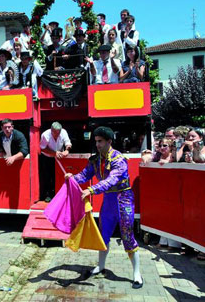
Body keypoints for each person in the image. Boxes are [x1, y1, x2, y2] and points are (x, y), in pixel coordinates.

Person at [64, 126, 143, 289]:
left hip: (123, 198)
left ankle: (137, 274)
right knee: (103, 233)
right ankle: (101, 266)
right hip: (109, 200)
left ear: (109, 141)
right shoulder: (96, 160)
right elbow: (85, 175)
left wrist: (92, 189)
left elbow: (112, 180)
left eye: (100, 141)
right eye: (96, 141)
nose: (97, 145)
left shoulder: (119, 159)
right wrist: (72, 178)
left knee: (127, 235)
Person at [39, 122, 72, 202]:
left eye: (58, 133)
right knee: (47, 176)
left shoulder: (63, 132)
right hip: (47, 157)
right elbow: (42, 148)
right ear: (51, 130)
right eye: (55, 133)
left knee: (58, 176)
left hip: (59, 157)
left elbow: (68, 143)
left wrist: (67, 150)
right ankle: (48, 195)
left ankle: (58, 194)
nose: (57, 135)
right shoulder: (45, 135)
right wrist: (54, 153)